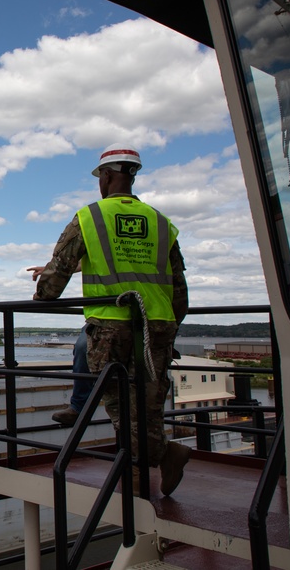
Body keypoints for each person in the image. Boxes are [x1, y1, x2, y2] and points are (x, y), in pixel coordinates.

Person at [31, 143, 190, 497]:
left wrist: (42, 294)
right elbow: (179, 289)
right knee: (148, 404)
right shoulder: (161, 222)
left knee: (120, 404)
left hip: (111, 325)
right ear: (132, 176)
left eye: (100, 176)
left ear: (105, 176)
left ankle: (137, 480)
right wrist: (169, 326)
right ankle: (164, 458)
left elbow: (60, 271)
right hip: (158, 325)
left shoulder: (90, 217)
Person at [27, 264, 91, 427]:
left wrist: (43, 292)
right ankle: (78, 408)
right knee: (83, 348)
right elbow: (88, 260)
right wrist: (51, 268)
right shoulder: (99, 240)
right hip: (103, 315)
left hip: (147, 315)